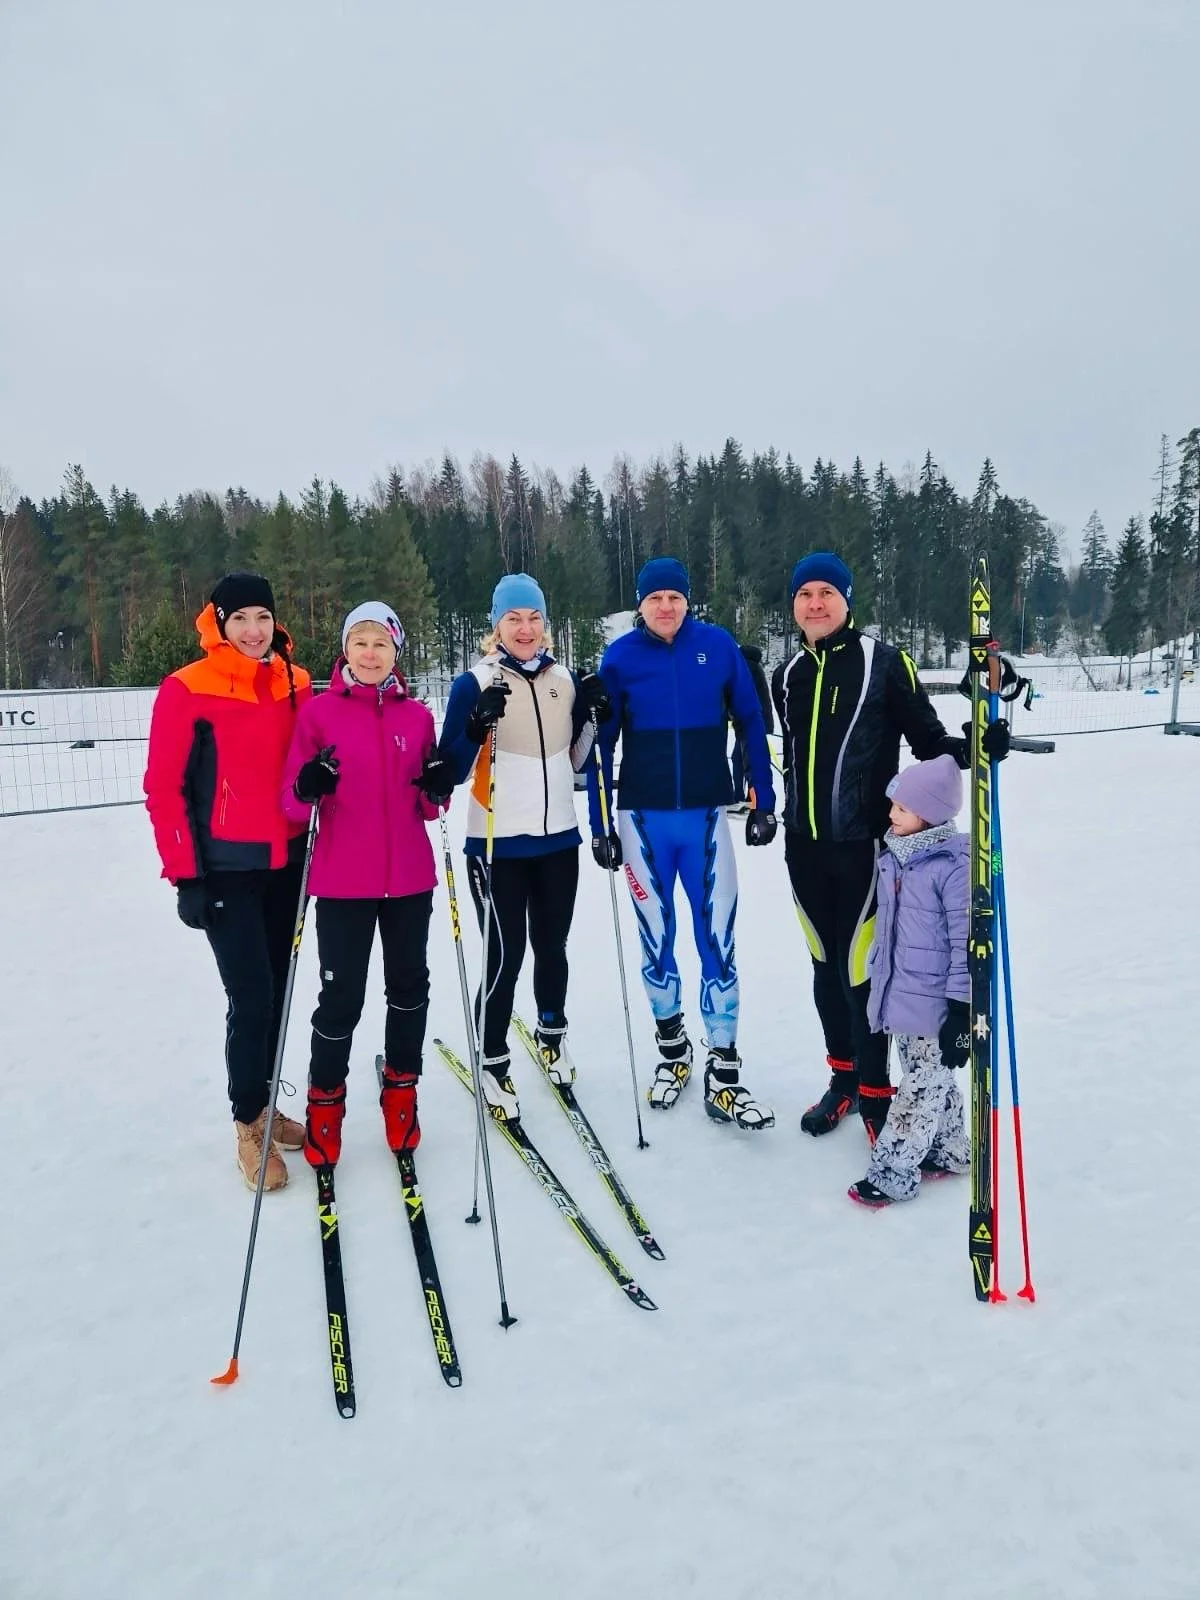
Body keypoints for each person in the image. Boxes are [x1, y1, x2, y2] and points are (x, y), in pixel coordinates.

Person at [772, 551, 1008, 1143]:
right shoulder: (789, 672)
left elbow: (928, 740)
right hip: (803, 848)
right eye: (806, 594)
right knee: (825, 968)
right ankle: (843, 1079)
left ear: (847, 600)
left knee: (864, 973)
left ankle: (877, 1093)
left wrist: (976, 744)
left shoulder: (884, 662)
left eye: (827, 592)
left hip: (866, 850)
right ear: (795, 605)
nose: (816, 603)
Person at [588, 557, 778, 1131]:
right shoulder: (620, 658)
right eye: (654, 598)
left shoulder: (717, 647)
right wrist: (600, 826)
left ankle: (724, 1071)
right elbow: (599, 744)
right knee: (656, 938)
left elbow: (749, 720)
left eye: (675, 596)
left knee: (716, 939)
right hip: (641, 821)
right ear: (640, 604)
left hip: (704, 819)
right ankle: (674, 1053)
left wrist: (764, 799)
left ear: (687, 600)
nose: (665, 606)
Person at [144, 572, 312, 1190]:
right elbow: (164, 789)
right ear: (216, 622)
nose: (252, 630)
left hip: (287, 863)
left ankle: (266, 1103)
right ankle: (248, 1123)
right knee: (252, 996)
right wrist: (186, 874)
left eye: (262, 618)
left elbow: (313, 757)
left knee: (280, 988)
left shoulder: (294, 682)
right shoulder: (187, 687)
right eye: (239, 618)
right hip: (225, 869)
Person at [434, 574, 609, 1123]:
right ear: (496, 626)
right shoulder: (475, 681)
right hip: (496, 845)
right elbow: (450, 771)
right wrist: (473, 721)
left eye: (533, 618)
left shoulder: (563, 680)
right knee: (505, 957)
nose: (525, 628)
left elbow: (580, 761)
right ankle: (492, 1059)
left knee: (552, 946)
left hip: (558, 839)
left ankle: (551, 1034)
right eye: (514, 619)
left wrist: (597, 715)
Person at [281, 602, 441, 1167]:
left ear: (397, 651)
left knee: (409, 987)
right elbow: (291, 802)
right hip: (343, 881)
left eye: (381, 643)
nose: (370, 654)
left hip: (409, 881)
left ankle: (401, 1095)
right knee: (341, 996)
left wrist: (439, 783)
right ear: (345, 650)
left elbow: (428, 806)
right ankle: (326, 1106)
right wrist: (306, 784)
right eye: (360, 642)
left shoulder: (417, 718)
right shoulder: (319, 713)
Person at [849, 755, 970, 1206]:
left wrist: (961, 1008)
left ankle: (893, 1173)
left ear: (930, 813)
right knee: (931, 1078)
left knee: (920, 1086)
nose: (890, 814)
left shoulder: (951, 866)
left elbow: (966, 941)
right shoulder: (898, 857)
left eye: (900, 807)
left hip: (937, 1005)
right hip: (903, 995)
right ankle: (951, 1148)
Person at [730, 641, 774, 811]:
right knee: (739, 759)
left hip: (751, 721)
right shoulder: (753, 666)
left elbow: (738, 692)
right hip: (756, 720)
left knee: (748, 762)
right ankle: (742, 797)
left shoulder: (745, 666)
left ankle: (750, 799)